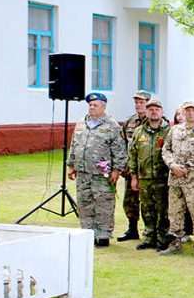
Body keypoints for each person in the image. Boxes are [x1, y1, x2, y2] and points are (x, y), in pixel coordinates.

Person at [66, 92, 126, 247]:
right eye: (90, 105)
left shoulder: (111, 125)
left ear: (103, 107)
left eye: (95, 105)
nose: (91, 107)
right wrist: (71, 165)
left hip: (102, 173)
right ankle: (88, 233)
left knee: (103, 204)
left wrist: (117, 170)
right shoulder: (81, 123)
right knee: (84, 203)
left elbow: (119, 150)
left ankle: (103, 235)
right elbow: (74, 144)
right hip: (83, 171)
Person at [160, 100, 194, 257]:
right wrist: (173, 165)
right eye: (187, 110)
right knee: (175, 211)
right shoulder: (175, 130)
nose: (190, 113)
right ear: (183, 112)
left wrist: (186, 168)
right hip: (175, 178)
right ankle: (175, 242)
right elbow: (166, 149)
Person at [127, 97, 171, 251]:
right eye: (151, 109)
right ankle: (148, 237)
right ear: (146, 112)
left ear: (162, 112)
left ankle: (162, 238)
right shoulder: (139, 131)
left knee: (163, 210)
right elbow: (133, 155)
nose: (153, 112)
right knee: (146, 209)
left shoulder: (169, 131)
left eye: (157, 109)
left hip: (163, 178)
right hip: (144, 177)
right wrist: (134, 177)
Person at [117, 90, 151, 242]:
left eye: (141, 102)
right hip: (132, 168)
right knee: (130, 200)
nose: (138, 105)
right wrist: (123, 165)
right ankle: (132, 229)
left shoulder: (156, 121)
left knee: (149, 202)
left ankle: (151, 232)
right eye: (136, 102)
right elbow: (122, 144)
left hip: (149, 169)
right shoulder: (130, 122)